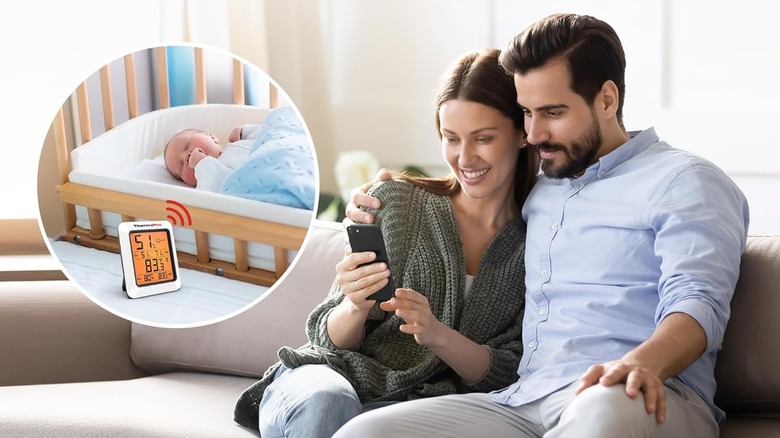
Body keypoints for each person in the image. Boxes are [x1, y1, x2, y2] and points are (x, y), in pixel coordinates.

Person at [336, 13, 750, 438]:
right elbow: (472, 187)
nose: (534, 133)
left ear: (607, 100)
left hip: (641, 393)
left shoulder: (685, 180)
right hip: (526, 400)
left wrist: (639, 363)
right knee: (364, 433)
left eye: (552, 112)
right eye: (527, 113)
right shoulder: (544, 191)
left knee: (601, 411)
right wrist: (385, 198)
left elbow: (699, 300)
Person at [232, 48, 538, 437]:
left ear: (522, 133)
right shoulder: (395, 203)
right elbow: (327, 338)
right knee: (330, 404)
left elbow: (508, 370)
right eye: (451, 138)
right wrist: (354, 304)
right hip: (326, 382)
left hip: (409, 409)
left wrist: (437, 334)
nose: (464, 157)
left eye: (484, 138)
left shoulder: (536, 244)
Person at [163, 123, 261, 191]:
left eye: (187, 144)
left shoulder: (239, 141)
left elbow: (267, 136)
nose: (186, 157)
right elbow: (226, 187)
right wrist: (202, 165)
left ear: (211, 136)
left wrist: (246, 132)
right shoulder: (205, 186)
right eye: (181, 167)